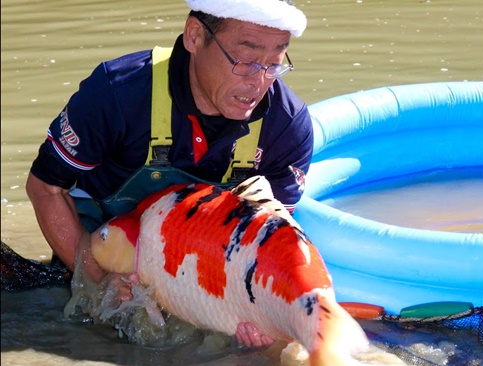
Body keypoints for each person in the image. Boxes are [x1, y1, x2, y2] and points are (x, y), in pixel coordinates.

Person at [25, 0, 311, 348]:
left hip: (208, 277)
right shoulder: (118, 92)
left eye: (274, 64)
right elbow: (46, 187)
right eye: (245, 61)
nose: (258, 82)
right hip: (106, 250)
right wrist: (95, 282)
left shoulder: (287, 125)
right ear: (194, 36)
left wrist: (267, 318)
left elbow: (273, 247)